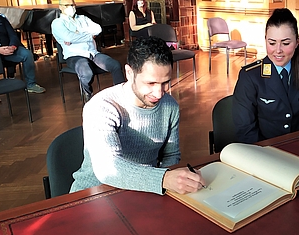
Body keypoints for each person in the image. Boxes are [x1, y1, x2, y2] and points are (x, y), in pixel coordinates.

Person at [70, 36, 205, 195]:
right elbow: (107, 168)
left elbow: (171, 155)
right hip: (93, 194)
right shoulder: (102, 106)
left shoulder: (170, 106)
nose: (159, 93)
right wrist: (164, 179)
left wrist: (167, 182)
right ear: (129, 73)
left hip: (144, 192)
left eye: (165, 82)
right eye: (150, 83)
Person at [233, 8, 299, 143]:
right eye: (272, 43)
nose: (278, 50)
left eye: (286, 43)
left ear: (297, 42)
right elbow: (245, 131)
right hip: (262, 152)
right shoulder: (250, 76)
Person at [0, 0, 46, 104]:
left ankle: (31, 84)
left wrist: (13, 46)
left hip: (8, 49)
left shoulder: (1, 18)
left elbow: (12, 35)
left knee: (27, 54)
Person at [52, 0, 125, 101]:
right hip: (74, 56)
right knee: (86, 71)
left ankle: (121, 96)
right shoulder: (58, 23)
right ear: (60, 7)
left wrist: (77, 35)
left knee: (115, 65)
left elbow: (98, 29)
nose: (71, 7)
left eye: (73, 4)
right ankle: (88, 96)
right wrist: (88, 35)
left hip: (92, 53)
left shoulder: (82, 18)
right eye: (67, 5)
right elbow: (68, 37)